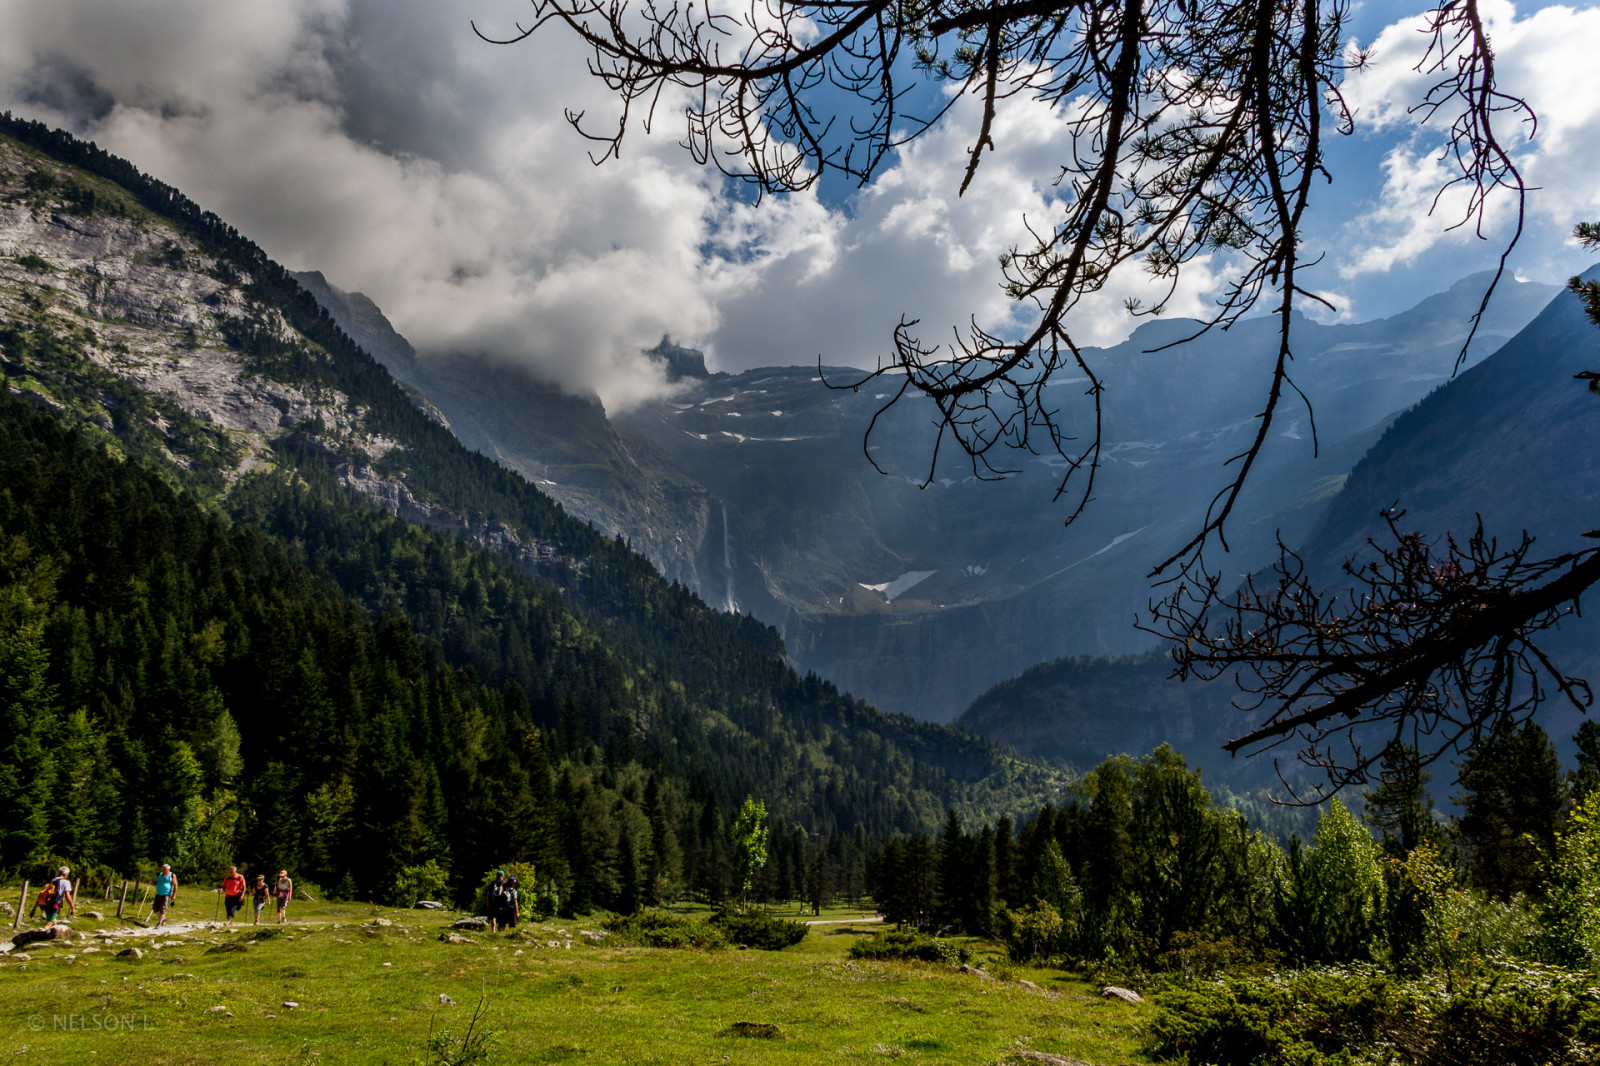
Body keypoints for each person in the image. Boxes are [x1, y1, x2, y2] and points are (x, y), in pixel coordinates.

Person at [152, 864, 177, 928]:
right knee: (155, 908)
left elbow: (175, 885)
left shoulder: (171, 875)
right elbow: (156, 882)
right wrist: (151, 883)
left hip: (166, 894)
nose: (162, 870)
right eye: (162, 868)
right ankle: (163, 918)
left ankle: (159, 923)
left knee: (163, 908)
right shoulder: (160, 874)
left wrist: (174, 895)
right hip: (158, 893)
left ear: (168, 869)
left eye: (164, 869)